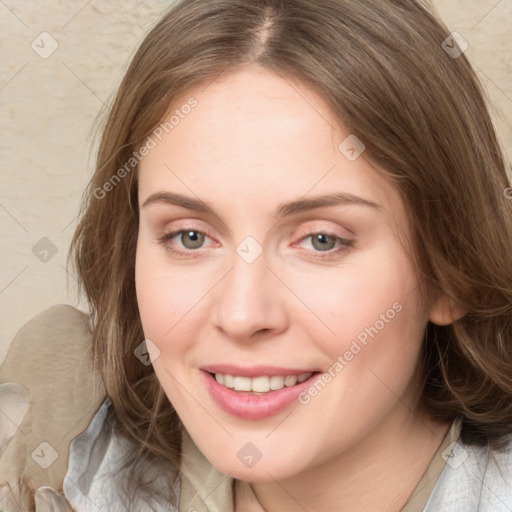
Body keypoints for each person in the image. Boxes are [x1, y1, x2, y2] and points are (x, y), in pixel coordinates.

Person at [1, 0, 512, 510]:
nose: (243, 315)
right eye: (190, 237)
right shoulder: (60, 439)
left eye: (321, 240)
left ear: (452, 273)